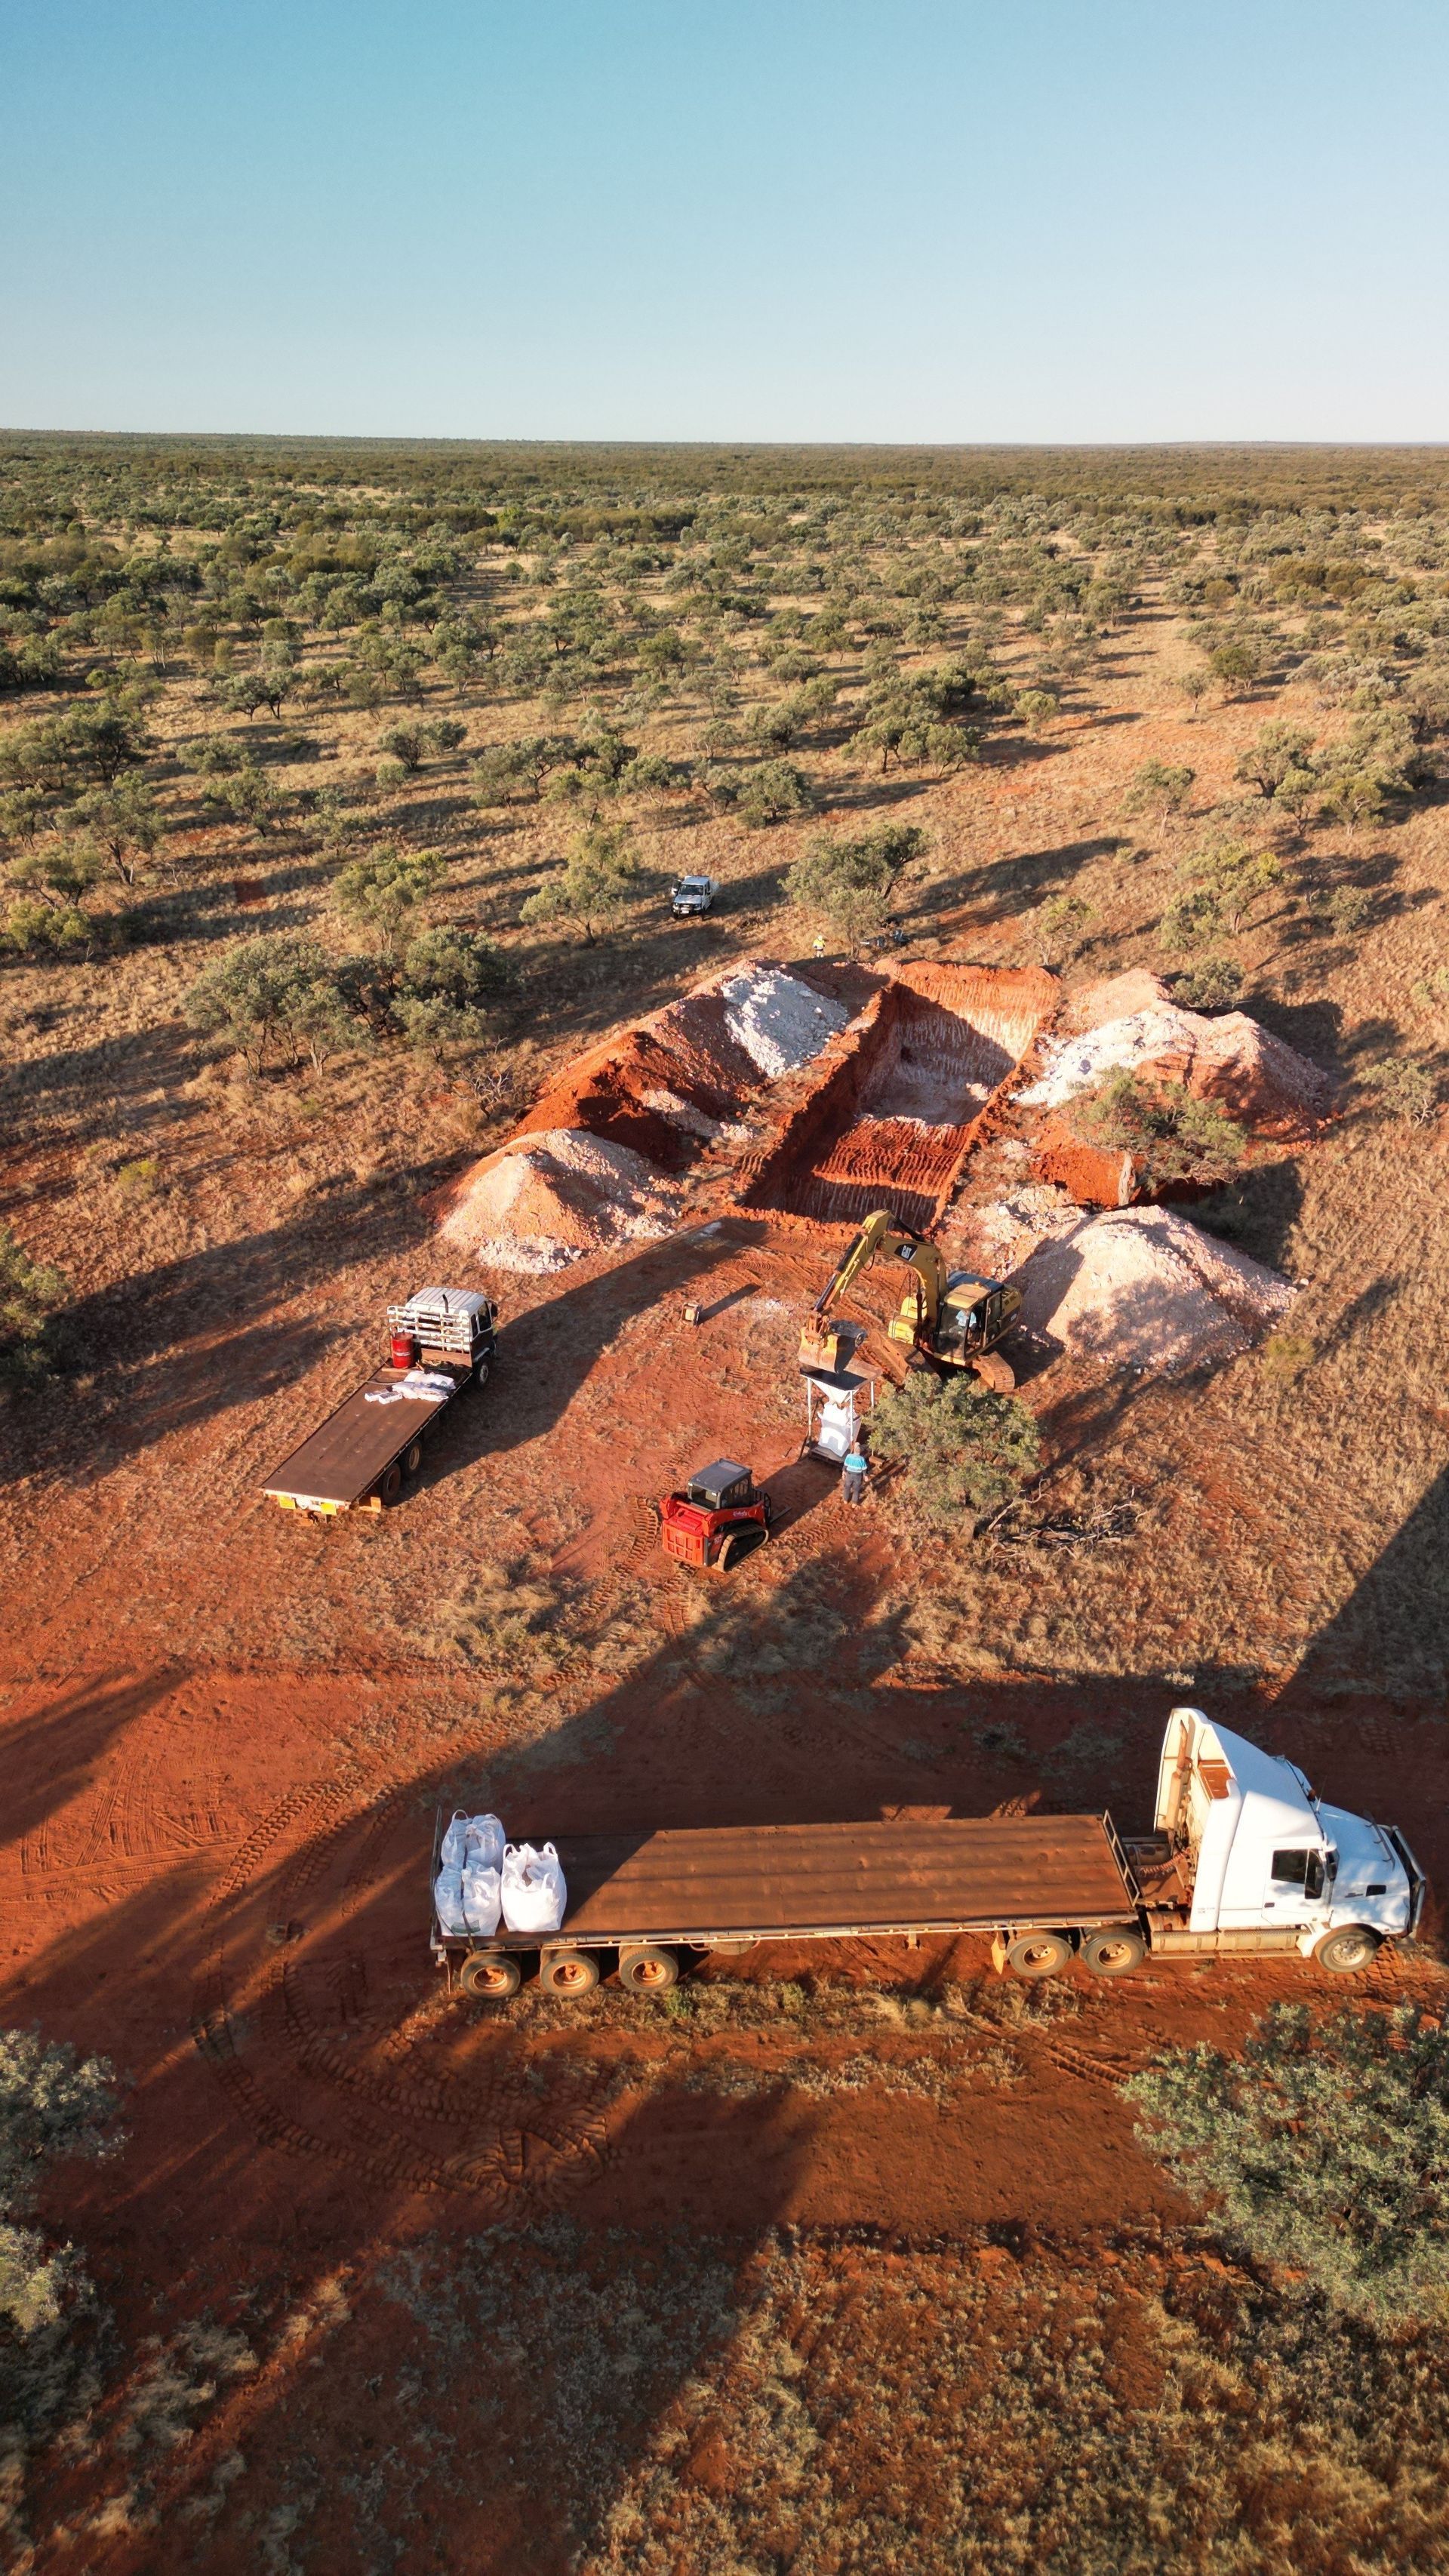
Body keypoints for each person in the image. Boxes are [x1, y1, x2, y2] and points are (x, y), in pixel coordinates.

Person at [841, 1436, 868, 1506]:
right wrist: (865, 1476)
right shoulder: (862, 1459)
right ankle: (854, 1503)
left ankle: (845, 1500)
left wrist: (843, 1472)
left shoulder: (849, 1456)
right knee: (856, 1490)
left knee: (847, 1487)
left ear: (854, 1450)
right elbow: (864, 1469)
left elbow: (845, 1466)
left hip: (849, 1474)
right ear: (860, 1452)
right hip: (858, 1476)